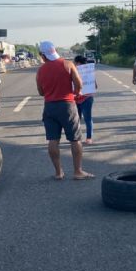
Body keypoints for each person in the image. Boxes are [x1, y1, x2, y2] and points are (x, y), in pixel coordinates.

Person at [36, 41, 93, 181]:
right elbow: (79, 83)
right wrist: (76, 92)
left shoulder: (41, 70)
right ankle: (78, 171)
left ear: (42, 55)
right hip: (67, 105)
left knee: (53, 139)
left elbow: (41, 92)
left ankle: (58, 172)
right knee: (75, 139)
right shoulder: (67, 64)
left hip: (49, 106)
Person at [73, 55, 96, 145]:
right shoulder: (75, 72)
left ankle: (87, 137)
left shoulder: (87, 72)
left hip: (84, 98)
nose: (74, 64)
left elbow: (94, 86)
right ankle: (84, 137)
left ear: (78, 63)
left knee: (84, 119)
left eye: (75, 62)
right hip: (80, 98)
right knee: (82, 119)